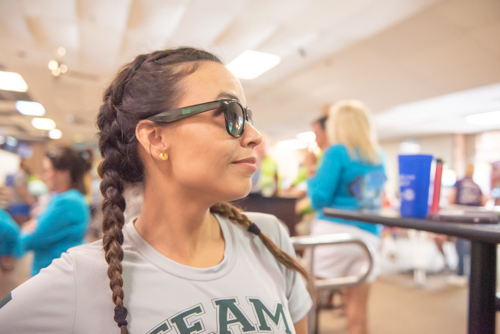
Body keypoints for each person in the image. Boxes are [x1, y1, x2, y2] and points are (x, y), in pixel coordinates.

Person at [0, 47, 312, 334]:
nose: (254, 136)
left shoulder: (267, 237)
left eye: (247, 117)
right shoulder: (84, 276)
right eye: (229, 113)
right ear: (156, 138)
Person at [306, 100, 386, 334]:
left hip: (334, 235)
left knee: (302, 301)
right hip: (369, 239)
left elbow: (318, 198)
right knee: (357, 315)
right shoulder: (378, 155)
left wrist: (311, 170)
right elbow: (373, 200)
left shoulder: (337, 152)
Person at [17, 147, 92, 276]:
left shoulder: (68, 201)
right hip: (51, 273)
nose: (44, 176)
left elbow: (29, 240)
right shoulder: (61, 198)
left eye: (47, 170)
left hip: (53, 275)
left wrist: (26, 228)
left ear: (64, 173)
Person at [447, 164, 487, 285]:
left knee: (461, 245)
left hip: (462, 217)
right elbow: (484, 200)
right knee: (472, 248)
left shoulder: (459, 183)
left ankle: (461, 274)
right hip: (475, 218)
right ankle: (473, 275)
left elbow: (451, 198)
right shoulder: (476, 185)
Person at [7, 159, 35, 225]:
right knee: (21, 223)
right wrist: (29, 198)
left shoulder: (20, 174)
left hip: (18, 203)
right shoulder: (21, 175)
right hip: (20, 204)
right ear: (23, 165)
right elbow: (20, 188)